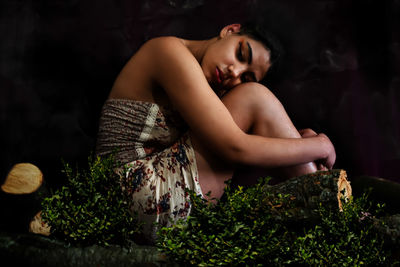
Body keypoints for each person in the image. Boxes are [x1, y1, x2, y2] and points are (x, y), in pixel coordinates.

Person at [95, 23, 336, 242]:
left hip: (138, 201)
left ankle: (331, 200)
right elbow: (235, 147)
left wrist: (296, 139)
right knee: (255, 97)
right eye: (241, 54)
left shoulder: (209, 84)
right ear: (229, 31)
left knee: (255, 99)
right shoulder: (167, 52)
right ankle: (335, 206)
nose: (235, 72)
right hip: (133, 194)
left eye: (246, 76)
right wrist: (321, 144)